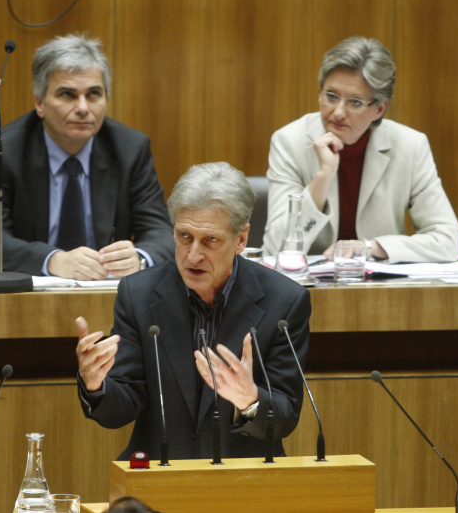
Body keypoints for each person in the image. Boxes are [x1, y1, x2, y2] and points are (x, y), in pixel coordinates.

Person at [76, 162, 310, 460]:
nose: (193, 255)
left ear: (241, 239)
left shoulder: (284, 301)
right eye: (184, 237)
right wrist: (96, 385)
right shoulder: (139, 294)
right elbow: (120, 410)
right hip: (159, 479)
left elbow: (286, 417)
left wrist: (249, 400)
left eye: (210, 240)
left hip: (244, 483)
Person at [0, 34, 173, 280]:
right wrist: (53, 260)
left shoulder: (129, 148)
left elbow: (161, 233)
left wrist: (139, 258)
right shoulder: (3, 151)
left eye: (94, 94)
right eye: (68, 95)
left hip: (107, 297)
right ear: (40, 103)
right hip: (27, 298)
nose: (83, 108)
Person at [262, 36, 458, 263]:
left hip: (381, 290)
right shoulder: (290, 141)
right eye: (331, 96)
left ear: (379, 109)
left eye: (355, 102)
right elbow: (274, 249)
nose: (338, 112)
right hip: (308, 291)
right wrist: (323, 176)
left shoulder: (410, 146)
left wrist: (371, 247)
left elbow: (448, 241)